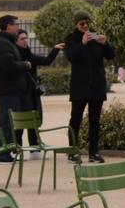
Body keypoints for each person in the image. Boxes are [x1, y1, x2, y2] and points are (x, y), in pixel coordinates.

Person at [63, 13, 117, 163]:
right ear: (76, 25)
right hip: (80, 85)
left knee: (95, 120)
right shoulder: (71, 39)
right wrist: (82, 43)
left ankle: (94, 152)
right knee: (76, 118)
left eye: (87, 22)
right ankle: (72, 151)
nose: (86, 26)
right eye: (82, 24)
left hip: (96, 85)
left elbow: (110, 55)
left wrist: (105, 44)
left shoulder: (95, 36)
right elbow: (71, 57)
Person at [0, 15, 28, 163]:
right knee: (5, 121)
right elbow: (8, 65)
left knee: (8, 121)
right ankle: (0, 153)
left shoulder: (7, 42)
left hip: (10, 88)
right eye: (16, 24)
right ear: (8, 26)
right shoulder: (2, 44)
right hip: (6, 89)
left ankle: (4, 152)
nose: (18, 27)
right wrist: (25, 65)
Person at [15, 26, 59, 145]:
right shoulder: (14, 56)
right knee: (20, 121)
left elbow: (46, 61)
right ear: (16, 41)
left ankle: (34, 146)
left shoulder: (29, 54)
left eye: (26, 38)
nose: (25, 41)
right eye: (22, 39)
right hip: (20, 92)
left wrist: (55, 49)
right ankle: (16, 148)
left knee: (34, 119)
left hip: (32, 92)